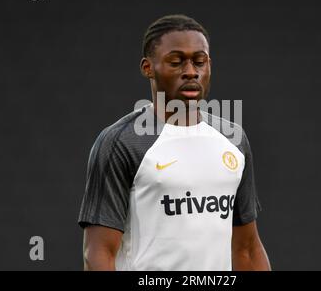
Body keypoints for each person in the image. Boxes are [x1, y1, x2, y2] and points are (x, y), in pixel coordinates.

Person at [78, 14, 271, 271]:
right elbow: (98, 253)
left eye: (199, 61)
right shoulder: (122, 142)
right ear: (148, 68)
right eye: (176, 62)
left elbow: (247, 248)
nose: (191, 72)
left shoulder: (233, 140)